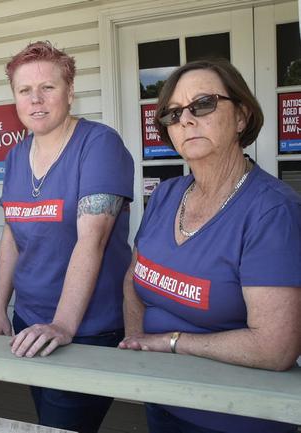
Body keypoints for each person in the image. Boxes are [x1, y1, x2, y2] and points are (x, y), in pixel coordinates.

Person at [118, 59, 301, 433]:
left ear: (241, 117)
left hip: (235, 417)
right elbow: (132, 282)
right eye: (172, 113)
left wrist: (170, 343)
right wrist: (139, 347)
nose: (185, 119)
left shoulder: (272, 211)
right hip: (163, 402)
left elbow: (275, 347)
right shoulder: (166, 195)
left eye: (203, 104)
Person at [0, 41, 134, 433]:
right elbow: (11, 234)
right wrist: (0, 308)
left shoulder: (99, 145)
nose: (36, 99)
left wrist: (63, 326)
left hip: (86, 328)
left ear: (70, 92)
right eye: (24, 90)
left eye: (48, 87)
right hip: (28, 320)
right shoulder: (15, 156)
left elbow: (93, 240)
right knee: (46, 416)